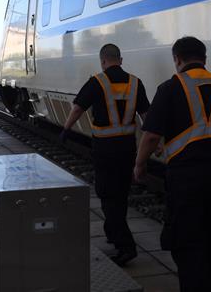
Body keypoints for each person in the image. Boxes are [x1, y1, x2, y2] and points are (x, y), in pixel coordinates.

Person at [134, 36, 211, 292]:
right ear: (204, 58)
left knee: (187, 241)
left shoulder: (169, 88)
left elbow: (151, 136)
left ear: (177, 59)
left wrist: (139, 164)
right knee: (207, 235)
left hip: (185, 176)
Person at [60, 43, 149, 266]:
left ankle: (125, 246)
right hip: (127, 148)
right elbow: (146, 116)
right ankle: (112, 232)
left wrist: (66, 129)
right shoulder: (136, 83)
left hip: (105, 150)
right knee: (120, 194)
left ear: (102, 61)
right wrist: (154, 143)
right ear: (121, 60)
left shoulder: (97, 82)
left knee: (108, 196)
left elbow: (78, 108)